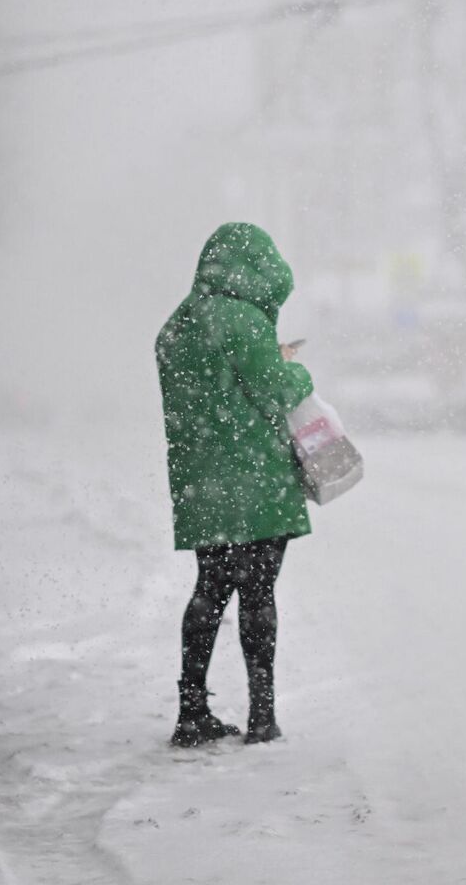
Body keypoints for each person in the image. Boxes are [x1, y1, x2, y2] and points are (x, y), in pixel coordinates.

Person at [155, 223, 315, 746]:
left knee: (209, 591)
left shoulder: (177, 325)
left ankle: (191, 710)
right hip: (255, 484)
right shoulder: (242, 321)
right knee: (259, 595)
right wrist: (298, 371)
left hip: (204, 487)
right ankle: (262, 717)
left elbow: (207, 397)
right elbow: (274, 392)